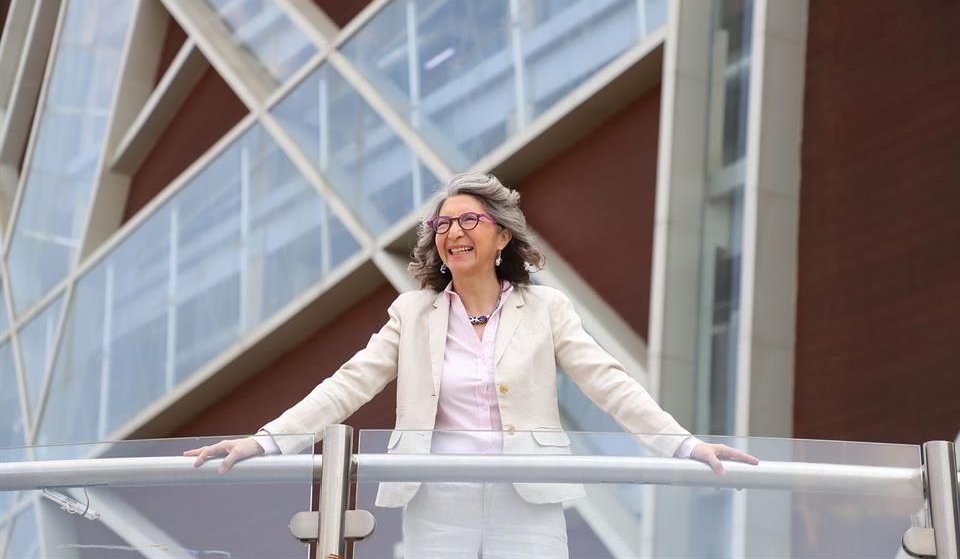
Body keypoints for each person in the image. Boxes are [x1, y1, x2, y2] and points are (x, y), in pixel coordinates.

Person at [185, 173, 758, 558]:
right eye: (442, 226)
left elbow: (607, 383)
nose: (452, 233)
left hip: (529, 499)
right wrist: (264, 442)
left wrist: (685, 445)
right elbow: (347, 384)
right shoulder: (413, 313)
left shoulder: (546, 308)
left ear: (502, 235)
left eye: (468, 222)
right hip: (438, 501)